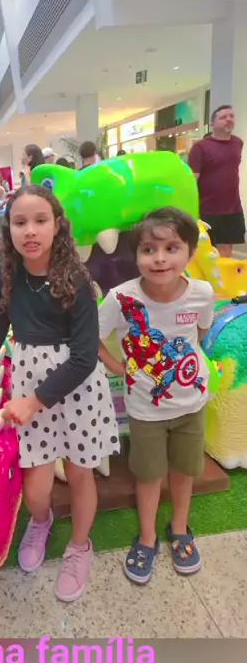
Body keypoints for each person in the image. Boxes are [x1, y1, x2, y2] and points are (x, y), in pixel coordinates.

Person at [0, 184, 120, 602]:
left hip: (75, 391)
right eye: (20, 222)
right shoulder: (8, 275)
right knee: (36, 489)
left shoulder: (76, 279)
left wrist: (35, 400)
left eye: (40, 220)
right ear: (9, 229)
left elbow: (84, 357)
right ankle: (41, 521)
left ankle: (80, 546)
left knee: (79, 473)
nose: (30, 231)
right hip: (28, 386)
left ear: (57, 226)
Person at [98, 207, 215, 585]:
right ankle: (147, 538)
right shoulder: (121, 298)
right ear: (136, 256)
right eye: (149, 249)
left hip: (191, 405)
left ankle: (180, 529)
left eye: (171, 248)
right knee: (148, 476)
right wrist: (118, 368)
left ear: (190, 252)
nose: (160, 258)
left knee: (184, 470)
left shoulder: (202, 293)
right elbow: (92, 336)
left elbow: (199, 333)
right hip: (145, 410)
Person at [188, 105, 245, 257]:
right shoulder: (200, 147)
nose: (229, 119)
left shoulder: (238, 143)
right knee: (207, 251)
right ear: (213, 124)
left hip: (232, 207)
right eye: (223, 117)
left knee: (226, 249)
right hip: (208, 209)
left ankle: (223, 274)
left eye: (231, 116)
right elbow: (192, 180)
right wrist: (191, 210)